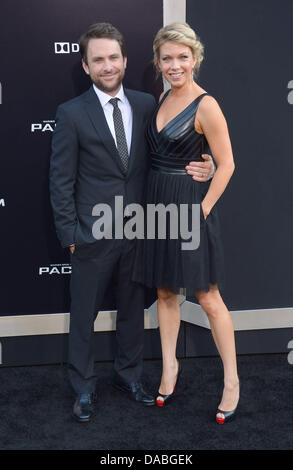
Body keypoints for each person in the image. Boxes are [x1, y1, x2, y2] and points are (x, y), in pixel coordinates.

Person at [49, 22, 215, 422]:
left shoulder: (148, 104)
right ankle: (84, 388)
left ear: (124, 60)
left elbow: (176, 150)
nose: (107, 66)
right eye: (98, 60)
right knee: (84, 315)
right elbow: (60, 179)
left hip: (141, 228)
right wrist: (71, 234)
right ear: (86, 67)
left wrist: (207, 166)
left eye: (113, 58)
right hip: (92, 232)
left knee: (131, 311)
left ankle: (128, 376)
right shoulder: (71, 114)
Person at [132, 23, 239, 424]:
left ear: (195, 58)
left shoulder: (205, 104)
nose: (174, 65)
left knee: (208, 297)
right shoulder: (162, 98)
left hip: (190, 207)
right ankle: (169, 367)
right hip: (158, 205)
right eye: (167, 58)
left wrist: (204, 208)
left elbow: (226, 163)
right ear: (157, 62)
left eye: (182, 57)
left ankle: (231, 380)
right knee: (164, 292)